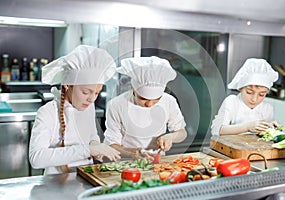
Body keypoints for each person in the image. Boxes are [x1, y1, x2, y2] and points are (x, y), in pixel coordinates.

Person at [29, 45, 121, 175]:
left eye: (96, 93)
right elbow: (36, 158)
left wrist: (96, 146)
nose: (91, 99)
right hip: (55, 185)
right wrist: (88, 150)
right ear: (67, 85)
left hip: (86, 177)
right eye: (85, 92)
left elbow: (91, 135)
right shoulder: (47, 112)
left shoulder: (88, 106)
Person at [103, 56, 187, 160]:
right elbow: (111, 145)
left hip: (158, 162)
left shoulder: (169, 101)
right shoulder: (116, 105)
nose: (150, 104)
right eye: (143, 98)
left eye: (157, 99)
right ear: (133, 88)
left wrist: (170, 137)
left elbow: (182, 133)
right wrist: (133, 153)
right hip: (127, 164)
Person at [211, 58, 279, 136]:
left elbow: (265, 134)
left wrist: (271, 127)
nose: (254, 99)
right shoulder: (231, 102)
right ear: (240, 88)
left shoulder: (267, 108)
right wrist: (247, 127)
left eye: (261, 94)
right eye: (249, 92)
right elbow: (217, 130)